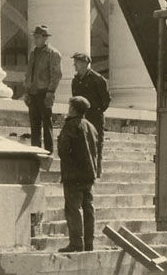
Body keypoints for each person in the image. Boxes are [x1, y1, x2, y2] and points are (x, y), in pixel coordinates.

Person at [56, 95, 101, 253]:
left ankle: (76, 243)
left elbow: (63, 150)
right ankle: (89, 243)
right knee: (88, 209)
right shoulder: (91, 126)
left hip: (73, 175)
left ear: (73, 109)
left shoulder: (71, 125)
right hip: (89, 174)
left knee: (73, 209)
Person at [24, 24, 62, 153]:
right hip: (33, 93)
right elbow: (29, 73)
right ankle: (36, 152)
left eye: (38, 37)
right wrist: (27, 92)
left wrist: (51, 92)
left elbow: (56, 75)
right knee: (34, 125)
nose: (35, 39)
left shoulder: (53, 54)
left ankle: (49, 152)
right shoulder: (33, 53)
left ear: (45, 38)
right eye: (35, 37)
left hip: (45, 92)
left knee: (47, 124)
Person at [70, 52, 109, 174]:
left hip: (94, 116)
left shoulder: (98, 79)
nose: (74, 65)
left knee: (96, 143)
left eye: (77, 62)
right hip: (80, 117)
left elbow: (106, 99)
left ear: (84, 63)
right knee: (79, 142)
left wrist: (96, 111)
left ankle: (96, 169)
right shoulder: (75, 80)